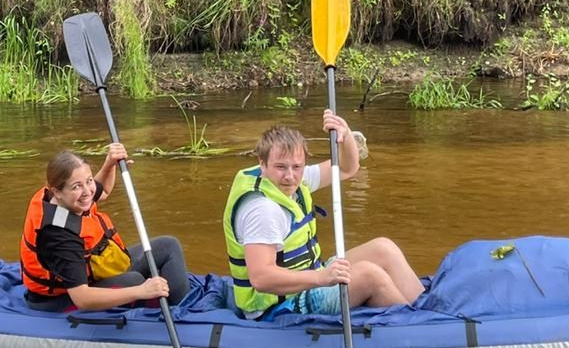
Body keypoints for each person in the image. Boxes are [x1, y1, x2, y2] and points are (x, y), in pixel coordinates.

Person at [223, 109, 424, 319]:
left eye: (297, 167)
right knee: (368, 275)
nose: (290, 176)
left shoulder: (297, 179)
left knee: (384, 249)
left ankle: (431, 318)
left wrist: (344, 135)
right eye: (281, 167)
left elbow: (347, 168)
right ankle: (417, 329)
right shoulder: (262, 210)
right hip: (277, 307)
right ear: (262, 164)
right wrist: (321, 277)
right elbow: (261, 278)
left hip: (306, 279)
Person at [21, 144, 190, 312]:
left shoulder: (66, 196)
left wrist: (109, 164)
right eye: (77, 186)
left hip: (92, 271)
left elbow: (104, 191)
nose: (88, 191)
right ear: (57, 191)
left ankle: (181, 310)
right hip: (61, 299)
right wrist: (140, 291)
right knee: (135, 281)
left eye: (88, 181)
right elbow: (82, 299)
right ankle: (162, 312)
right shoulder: (58, 236)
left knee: (169, 245)